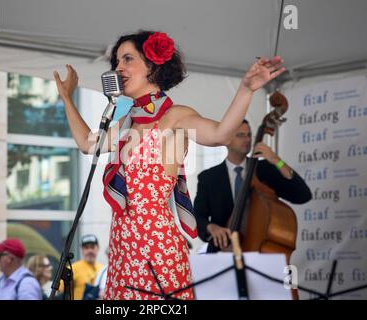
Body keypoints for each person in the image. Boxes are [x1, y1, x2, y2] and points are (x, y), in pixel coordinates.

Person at [53, 30, 285, 300]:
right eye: (117, 61)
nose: (119, 68)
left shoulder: (176, 116)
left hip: (157, 245)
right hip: (122, 246)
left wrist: (246, 89)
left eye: (128, 59)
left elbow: (221, 134)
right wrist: (67, 98)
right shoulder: (129, 120)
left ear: (152, 67)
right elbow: (87, 143)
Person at [194, 119, 312, 252]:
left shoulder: (264, 170)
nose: (247, 139)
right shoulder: (209, 177)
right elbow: (197, 218)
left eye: (249, 135)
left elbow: (302, 195)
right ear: (226, 140)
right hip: (222, 253)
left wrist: (276, 160)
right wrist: (210, 227)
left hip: (260, 253)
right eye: (241, 135)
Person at [66, 234, 103, 300]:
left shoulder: (103, 269)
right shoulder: (72, 269)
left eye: (92, 247)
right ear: (82, 250)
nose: (90, 251)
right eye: (86, 248)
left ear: (98, 248)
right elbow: (62, 293)